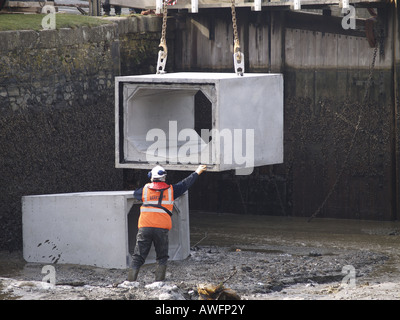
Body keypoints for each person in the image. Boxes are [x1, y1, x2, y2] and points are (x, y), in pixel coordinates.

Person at [128, 164, 207, 282]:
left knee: (138, 256)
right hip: (161, 229)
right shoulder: (171, 190)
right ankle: (159, 282)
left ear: (151, 177)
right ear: (164, 178)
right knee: (162, 257)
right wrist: (197, 171)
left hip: (145, 227)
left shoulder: (144, 190)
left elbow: (135, 194)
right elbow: (185, 184)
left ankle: (130, 282)